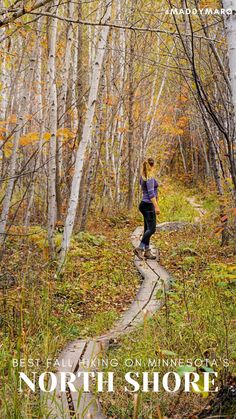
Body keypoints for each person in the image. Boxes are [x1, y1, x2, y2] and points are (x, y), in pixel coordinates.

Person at [134, 158, 160, 260]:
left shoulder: (143, 177)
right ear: (152, 166)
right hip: (148, 205)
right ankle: (140, 248)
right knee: (152, 229)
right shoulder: (149, 178)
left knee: (147, 229)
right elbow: (151, 194)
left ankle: (147, 251)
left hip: (144, 205)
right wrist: (156, 206)